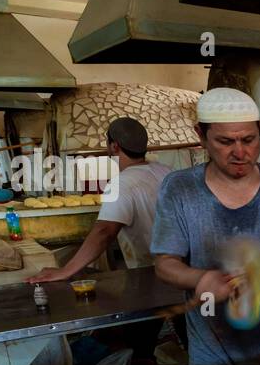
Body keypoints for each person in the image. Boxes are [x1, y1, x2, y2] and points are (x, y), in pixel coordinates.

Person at [151, 87, 260, 365]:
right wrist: (200, 278)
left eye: (249, 139)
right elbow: (164, 264)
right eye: (225, 142)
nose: (240, 153)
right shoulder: (179, 189)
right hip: (214, 360)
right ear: (200, 136)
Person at [28, 117, 171, 282]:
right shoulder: (168, 172)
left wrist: (65, 271)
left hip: (153, 275)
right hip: (183, 268)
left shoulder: (121, 184)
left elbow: (104, 231)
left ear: (114, 146)